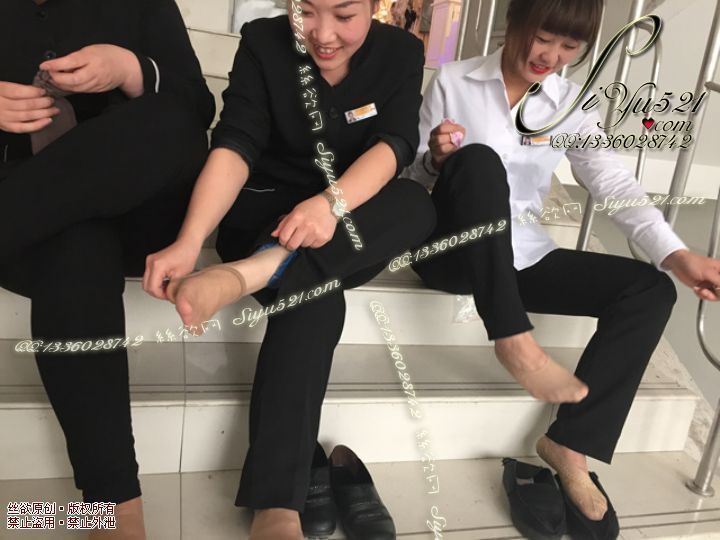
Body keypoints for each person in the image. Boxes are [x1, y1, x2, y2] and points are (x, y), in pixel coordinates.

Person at [405, 0, 720, 525]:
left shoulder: (570, 105)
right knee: (478, 161)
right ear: (516, 22)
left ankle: (570, 443)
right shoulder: (454, 80)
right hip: (451, 250)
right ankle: (511, 337)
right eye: (543, 37)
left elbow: (612, 181)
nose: (551, 55)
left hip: (521, 253)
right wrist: (435, 159)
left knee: (650, 289)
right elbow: (411, 180)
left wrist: (676, 253)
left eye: (570, 46)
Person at [142, 0, 435, 537]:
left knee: (416, 204)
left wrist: (328, 206)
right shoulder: (263, 40)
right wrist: (190, 240)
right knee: (315, 296)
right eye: (305, 10)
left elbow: (395, 145)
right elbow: (236, 144)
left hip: (346, 215)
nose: (322, 34)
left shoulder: (400, 52)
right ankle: (277, 508)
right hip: (263, 213)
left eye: (344, 16)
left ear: (376, 6)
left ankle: (253, 273)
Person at [0, 0, 214, 537]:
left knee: (173, 120)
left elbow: (197, 104)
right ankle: (116, 512)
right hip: (37, 221)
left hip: (134, 204)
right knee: (76, 246)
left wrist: (129, 69)